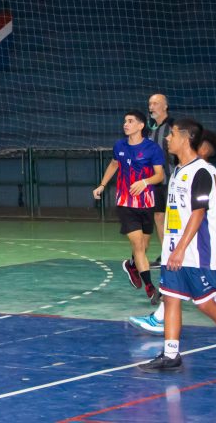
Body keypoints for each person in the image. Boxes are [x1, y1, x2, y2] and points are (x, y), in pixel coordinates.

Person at [139, 119, 216, 372]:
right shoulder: (179, 170)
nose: (167, 138)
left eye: (171, 134)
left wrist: (180, 248)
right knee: (171, 298)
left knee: (204, 304)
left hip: (197, 251)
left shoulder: (201, 171)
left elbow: (198, 214)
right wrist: (170, 247)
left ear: (186, 137)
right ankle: (171, 355)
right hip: (175, 248)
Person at [93, 110, 165, 304]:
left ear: (141, 126)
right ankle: (151, 289)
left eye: (130, 121)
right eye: (125, 121)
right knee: (138, 245)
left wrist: (145, 182)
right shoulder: (119, 146)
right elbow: (114, 165)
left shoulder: (152, 148)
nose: (126, 124)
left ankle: (132, 265)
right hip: (125, 203)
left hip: (146, 203)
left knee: (145, 244)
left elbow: (159, 175)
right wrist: (102, 184)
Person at [147, 94, 174, 255]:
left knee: (174, 218)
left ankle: (177, 251)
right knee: (158, 215)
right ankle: (166, 253)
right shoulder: (150, 129)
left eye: (156, 103)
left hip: (172, 179)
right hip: (156, 180)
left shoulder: (173, 126)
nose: (151, 107)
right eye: (150, 104)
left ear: (165, 106)